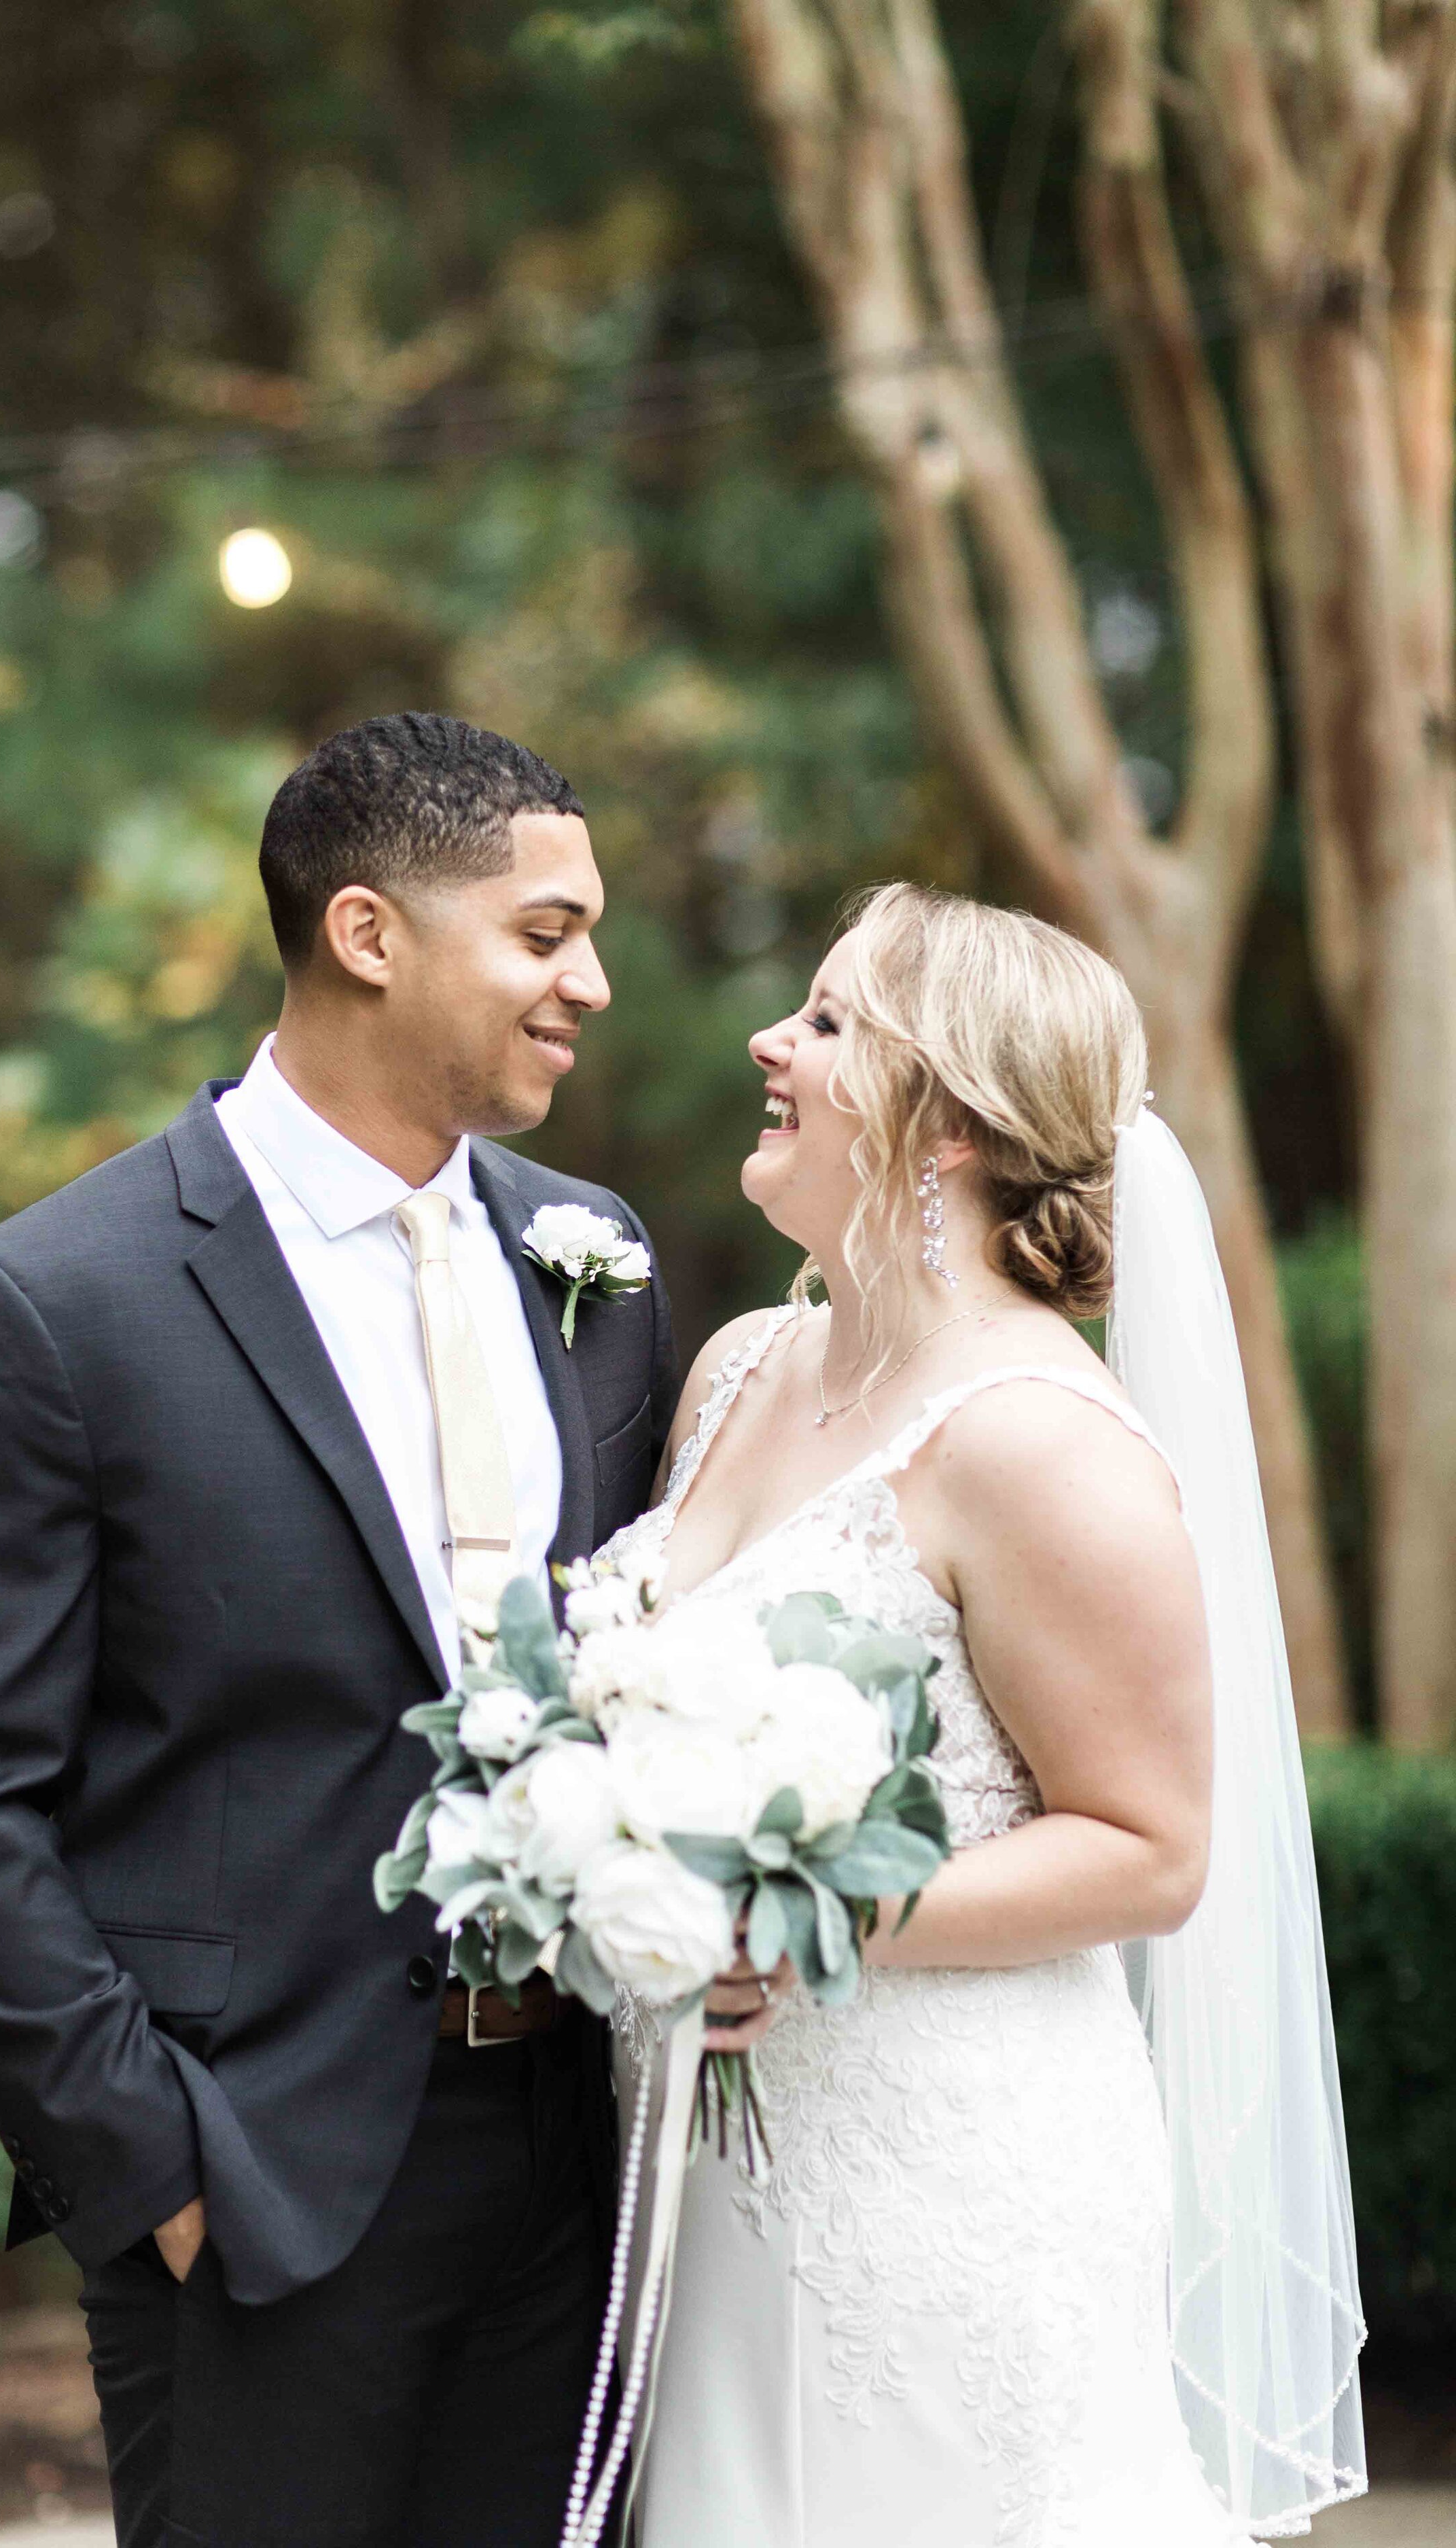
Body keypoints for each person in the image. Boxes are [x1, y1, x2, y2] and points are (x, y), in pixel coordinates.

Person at [0, 711, 688, 2548]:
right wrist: (152, 2161)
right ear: (370, 933)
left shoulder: (593, 1263)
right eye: (545, 934)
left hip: (580, 2155)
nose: (593, 983)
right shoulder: (55, 1305)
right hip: (257, 2180)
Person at [605, 883, 1366, 2545]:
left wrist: (796, 1916)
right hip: (704, 2173)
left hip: (943, 2176)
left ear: (942, 1117)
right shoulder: (740, 1365)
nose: (769, 1041)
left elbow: (1151, 1851)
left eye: (821, 1019)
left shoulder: (1037, 1442)